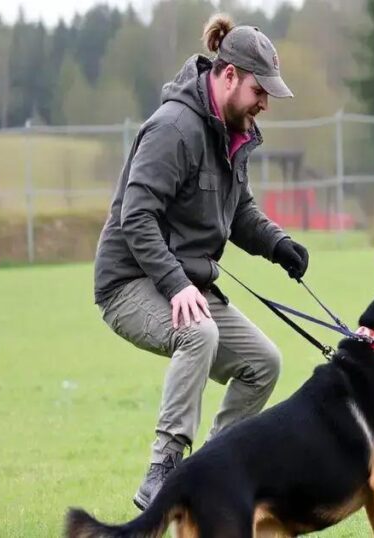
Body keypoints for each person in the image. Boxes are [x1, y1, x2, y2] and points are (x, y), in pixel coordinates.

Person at [91, 13, 308, 510]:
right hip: (130, 283)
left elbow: (240, 211)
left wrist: (278, 245)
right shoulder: (174, 128)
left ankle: (214, 472)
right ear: (228, 75)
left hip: (186, 284)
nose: (264, 104)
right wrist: (176, 286)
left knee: (263, 363)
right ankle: (162, 471)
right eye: (260, 90)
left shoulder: (236, 132)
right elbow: (136, 217)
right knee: (200, 332)